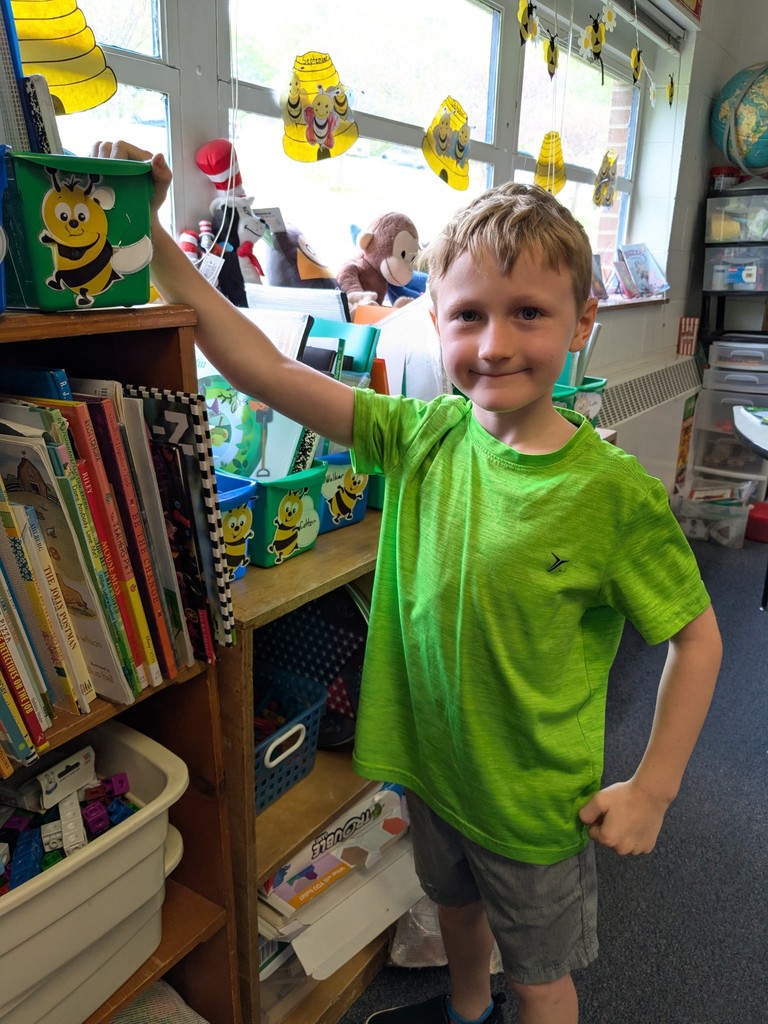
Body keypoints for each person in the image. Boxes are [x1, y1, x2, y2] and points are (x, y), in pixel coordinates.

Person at [93, 142, 722, 1024]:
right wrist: (157, 238)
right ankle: (467, 1012)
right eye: (469, 315)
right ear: (435, 319)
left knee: (541, 976)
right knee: (455, 915)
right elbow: (266, 372)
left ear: (581, 323)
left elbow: (697, 638)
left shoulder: (610, 495)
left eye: (530, 314)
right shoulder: (422, 434)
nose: (495, 344)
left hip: (532, 804)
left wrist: (652, 788)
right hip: (431, 771)